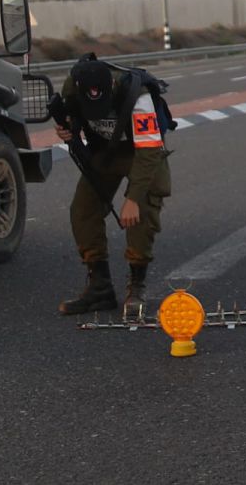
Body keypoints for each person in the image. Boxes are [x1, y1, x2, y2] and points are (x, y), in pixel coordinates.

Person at [54, 55, 171, 317]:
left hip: (142, 153)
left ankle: (137, 285)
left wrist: (133, 197)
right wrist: (69, 130)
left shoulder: (137, 97)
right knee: (83, 210)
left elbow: (150, 150)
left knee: (141, 209)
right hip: (106, 151)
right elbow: (75, 119)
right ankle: (100, 287)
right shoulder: (72, 88)